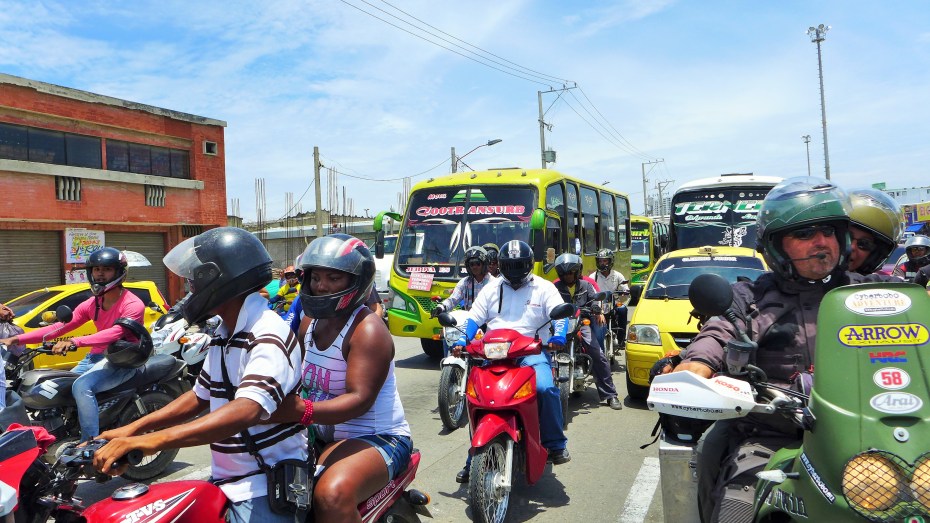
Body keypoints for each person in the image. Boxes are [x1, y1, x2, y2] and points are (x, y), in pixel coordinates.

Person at [666, 178, 896, 523]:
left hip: (874, 439)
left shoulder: (878, 296)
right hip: (773, 439)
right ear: (776, 246)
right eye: (804, 234)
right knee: (735, 509)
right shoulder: (752, 298)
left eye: (828, 232)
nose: (821, 242)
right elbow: (719, 331)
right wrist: (696, 365)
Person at [92, 227, 306, 523]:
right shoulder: (225, 331)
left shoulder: (266, 333)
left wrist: (153, 441)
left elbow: (247, 410)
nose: (189, 287)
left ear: (222, 279)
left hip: (264, 482)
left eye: (195, 278)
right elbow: (199, 397)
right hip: (227, 481)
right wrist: (133, 429)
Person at [267, 233, 412, 523]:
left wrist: (300, 410)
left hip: (377, 438)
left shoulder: (367, 330)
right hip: (320, 435)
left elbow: (359, 400)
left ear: (356, 282)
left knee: (330, 496)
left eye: (334, 278)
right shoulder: (309, 321)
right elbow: (293, 373)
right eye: (316, 277)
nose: (321, 287)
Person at [451, 240, 571, 483]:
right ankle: (473, 457)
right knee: (477, 398)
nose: (515, 271)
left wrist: (558, 336)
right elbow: (474, 318)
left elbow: (559, 314)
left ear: (528, 265)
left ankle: (555, 444)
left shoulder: (544, 287)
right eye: (510, 266)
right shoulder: (492, 288)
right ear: (501, 266)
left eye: (519, 266)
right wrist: (463, 340)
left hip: (531, 350)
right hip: (494, 352)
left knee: (545, 388)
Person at [1, 247, 145, 441]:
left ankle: (89, 442)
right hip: (96, 357)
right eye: (96, 269)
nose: (100, 273)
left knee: (81, 386)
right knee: (59, 386)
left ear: (119, 272)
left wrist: (75, 341)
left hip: (122, 359)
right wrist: (17, 339)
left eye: (107, 269)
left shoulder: (133, 304)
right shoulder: (93, 303)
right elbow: (62, 327)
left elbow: (116, 333)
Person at [553, 253, 622, 411]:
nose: (567, 276)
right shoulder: (554, 287)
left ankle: (610, 394)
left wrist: (596, 309)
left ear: (577, 271)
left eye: (571, 272)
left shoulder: (586, 285)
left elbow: (594, 299)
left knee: (597, 353)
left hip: (581, 324)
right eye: (564, 273)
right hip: (560, 325)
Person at [846, 189, 903, 275]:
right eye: (847, 237)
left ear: (874, 256)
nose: (852, 247)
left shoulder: (881, 286)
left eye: (864, 244)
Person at [431, 246, 495, 318]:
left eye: (477, 263)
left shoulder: (493, 283)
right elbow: (453, 300)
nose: (474, 267)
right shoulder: (465, 282)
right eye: (471, 264)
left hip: (489, 323)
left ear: (484, 264)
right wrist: (441, 307)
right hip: (470, 323)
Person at [589, 248, 630, 352]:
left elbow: (626, 290)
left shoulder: (618, 275)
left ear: (610, 261)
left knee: (623, 309)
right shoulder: (593, 276)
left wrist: (624, 293)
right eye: (600, 261)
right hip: (598, 306)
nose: (602, 263)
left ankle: (621, 340)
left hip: (614, 303)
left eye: (605, 261)